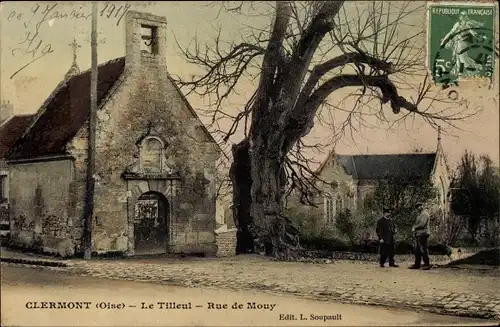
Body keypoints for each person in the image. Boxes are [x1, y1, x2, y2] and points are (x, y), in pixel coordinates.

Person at [409, 202, 431, 270]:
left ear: (422, 206)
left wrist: (414, 227)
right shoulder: (419, 214)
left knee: (423, 249)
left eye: (420, 206)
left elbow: (422, 224)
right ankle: (417, 264)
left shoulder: (424, 214)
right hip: (419, 234)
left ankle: (427, 265)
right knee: (417, 250)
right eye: (417, 207)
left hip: (423, 234)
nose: (418, 207)